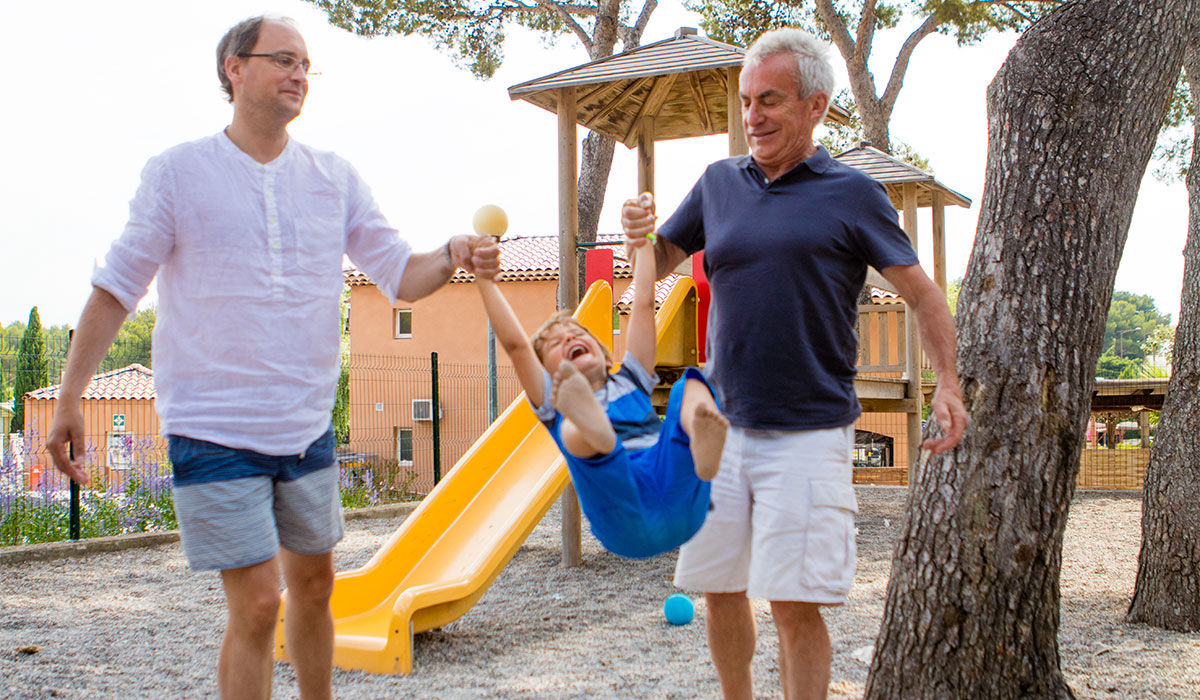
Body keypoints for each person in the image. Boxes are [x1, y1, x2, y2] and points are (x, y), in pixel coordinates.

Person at [44, 15, 498, 700]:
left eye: (306, 65)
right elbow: (115, 289)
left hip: (306, 427)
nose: (299, 75)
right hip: (211, 427)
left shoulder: (333, 177)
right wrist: (71, 396)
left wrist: (452, 254)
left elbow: (401, 274)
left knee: (315, 586)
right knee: (258, 604)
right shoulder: (177, 173)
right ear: (234, 68)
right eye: (284, 60)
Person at [621, 28, 967, 700]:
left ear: (816, 105)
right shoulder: (719, 183)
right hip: (718, 432)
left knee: (794, 605)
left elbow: (924, 297)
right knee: (719, 589)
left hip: (808, 431)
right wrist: (639, 234)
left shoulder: (854, 195)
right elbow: (658, 260)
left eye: (770, 101)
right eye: (747, 101)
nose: (753, 116)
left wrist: (947, 383)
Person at [474, 225, 729, 559]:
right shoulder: (553, 400)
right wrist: (485, 281)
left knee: (690, 383)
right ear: (547, 375)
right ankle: (597, 432)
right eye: (555, 343)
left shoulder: (631, 379)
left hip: (676, 490)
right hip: (624, 511)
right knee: (569, 428)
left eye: (578, 334)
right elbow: (516, 345)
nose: (569, 338)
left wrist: (646, 243)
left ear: (606, 355)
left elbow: (644, 303)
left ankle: (701, 446)